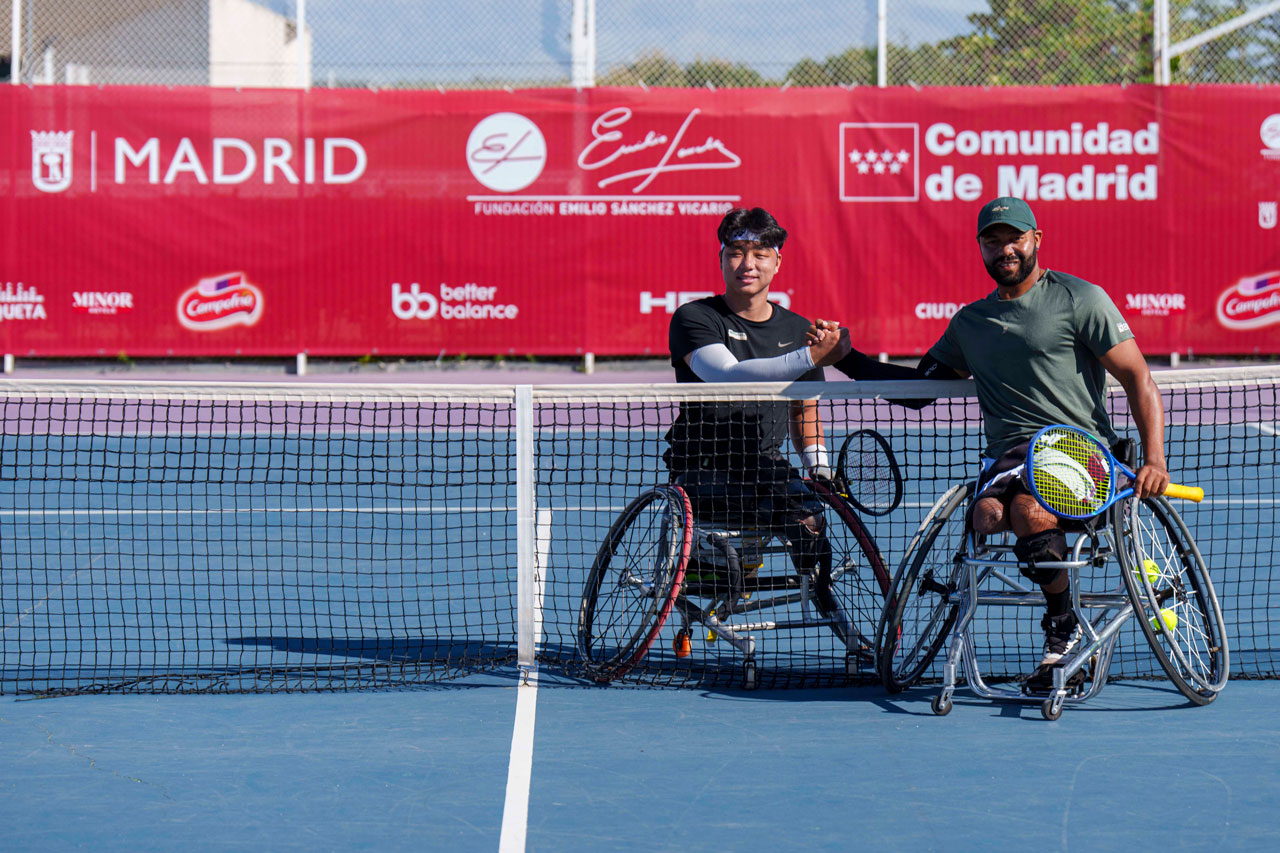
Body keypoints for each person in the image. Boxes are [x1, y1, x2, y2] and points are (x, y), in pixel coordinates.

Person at [819, 196, 1169, 691]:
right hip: (1010, 457)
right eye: (993, 240)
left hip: (1081, 452)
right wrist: (846, 357)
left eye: (1014, 238)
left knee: (1029, 513)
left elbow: (1139, 379)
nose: (1005, 248)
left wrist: (1155, 458)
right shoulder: (970, 324)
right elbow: (919, 392)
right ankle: (1062, 614)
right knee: (986, 517)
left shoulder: (1081, 299)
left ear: (1036, 240)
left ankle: (1061, 630)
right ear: (981, 248)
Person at [665, 206, 851, 586]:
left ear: (777, 261)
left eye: (760, 254)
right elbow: (725, 375)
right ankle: (719, 575)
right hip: (702, 470)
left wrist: (819, 467)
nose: (747, 263)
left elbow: (804, 411)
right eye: (735, 252)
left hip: (767, 469)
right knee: (723, 565)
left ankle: (820, 595)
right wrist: (811, 355)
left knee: (811, 520)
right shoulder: (694, 317)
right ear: (721, 258)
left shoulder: (798, 328)